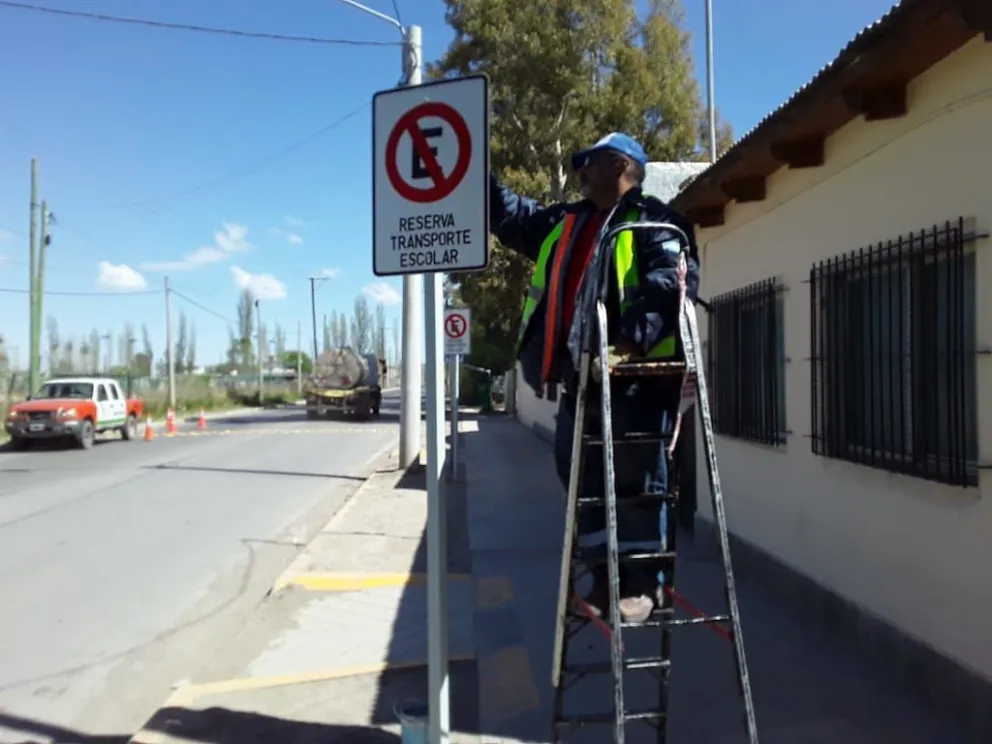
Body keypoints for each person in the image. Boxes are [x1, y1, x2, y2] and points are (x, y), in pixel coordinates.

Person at [489, 132, 700, 623]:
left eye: (590, 161)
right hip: (580, 384)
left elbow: (668, 285)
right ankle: (605, 581)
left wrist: (626, 345)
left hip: (635, 382)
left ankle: (646, 587)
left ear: (621, 164)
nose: (580, 170)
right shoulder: (569, 222)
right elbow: (514, 217)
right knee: (580, 478)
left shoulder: (655, 221)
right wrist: (477, 175)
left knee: (635, 482)